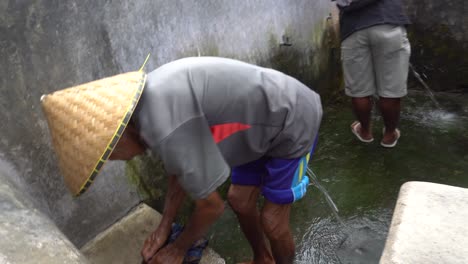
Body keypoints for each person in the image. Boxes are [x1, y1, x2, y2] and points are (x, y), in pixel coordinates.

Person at [41, 57, 323, 264]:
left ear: (118, 134)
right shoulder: (146, 110)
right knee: (240, 200)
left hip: (291, 119)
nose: (115, 160)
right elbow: (179, 169)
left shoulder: (162, 125)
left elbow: (211, 207)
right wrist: (165, 226)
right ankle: (263, 259)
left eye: (108, 155)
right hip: (256, 126)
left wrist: (179, 248)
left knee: (273, 221)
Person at [335, 0, 411, 147]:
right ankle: (389, 135)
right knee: (391, 90)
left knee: (359, 90)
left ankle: (365, 132)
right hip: (388, 21)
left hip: (353, 28)